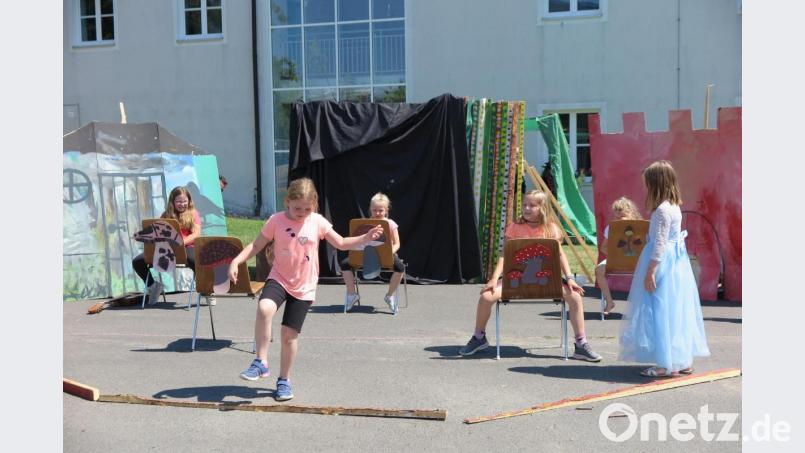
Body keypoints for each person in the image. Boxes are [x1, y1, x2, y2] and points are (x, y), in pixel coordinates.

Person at [228, 177, 382, 401]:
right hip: (279, 278)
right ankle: (261, 362)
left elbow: (340, 243)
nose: (302, 213)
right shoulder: (276, 220)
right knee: (264, 308)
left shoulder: (317, 221)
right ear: (287, 202)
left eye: (307, 209)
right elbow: (256, 245)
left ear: (315, 206)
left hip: (304, 287)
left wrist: (365, 238)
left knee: (288, 336)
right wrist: (236, 261)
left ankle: (284, 380)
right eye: (297, 208)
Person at [459, 190, 602, 362]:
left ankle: (581, 344)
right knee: (486, 297)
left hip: (547, 281)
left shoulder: (552, 229)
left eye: (532, 205)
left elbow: (559, 255)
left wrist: (570, 278)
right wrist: (494, 279)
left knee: (575, 297)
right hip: (516, 281)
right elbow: (505, 255)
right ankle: (479, 337)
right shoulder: (515, 228)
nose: (526, 208)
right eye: (525, 204)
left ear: (543, 208)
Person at [619, 161, 710, 377]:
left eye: (647, 184)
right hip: (676, 263)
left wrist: (650, 271)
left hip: (662, 263)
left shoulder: (661, 210)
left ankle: (664, 364)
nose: (645, 188)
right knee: (676, 311)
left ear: (655, 184)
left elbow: (659, 243)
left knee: (660, 311)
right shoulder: (674, 206)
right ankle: (682, 359)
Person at [132, 186, 201, 304]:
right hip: (167, 249)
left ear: (189, 201)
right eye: (179, 201)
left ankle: (206, 289)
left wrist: (180, 243)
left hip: (186, 247)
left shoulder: (193, 213)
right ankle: (153, 287)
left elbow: (196, 234)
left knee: (194, 260)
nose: (182, 204)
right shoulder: (166, 214)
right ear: (172, 201)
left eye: (185, 201)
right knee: (138, 262)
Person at [340, 192, 405, 313]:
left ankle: (390, 296)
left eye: (380, 210)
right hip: (365, 255)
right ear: (370, 209)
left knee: (400, 267)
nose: (377, 213)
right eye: (375, 210)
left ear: (386, 210)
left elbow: (397, 243)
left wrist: (389, 252)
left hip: (385, 256)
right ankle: (352, 294)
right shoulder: (365, 224)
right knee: (344, 264)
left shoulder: (391, 224)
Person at [595, 197, 643, 316]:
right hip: (617, 259)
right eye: (617, 217)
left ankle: (641, 306)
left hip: (638, 260)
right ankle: (609, 302)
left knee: (648, 273)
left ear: (631, 213)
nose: (619, 220)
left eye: (623, 216)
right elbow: (603, 247)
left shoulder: (641, 227)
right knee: (599, 270)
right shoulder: (611, 228)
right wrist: (615, 256)